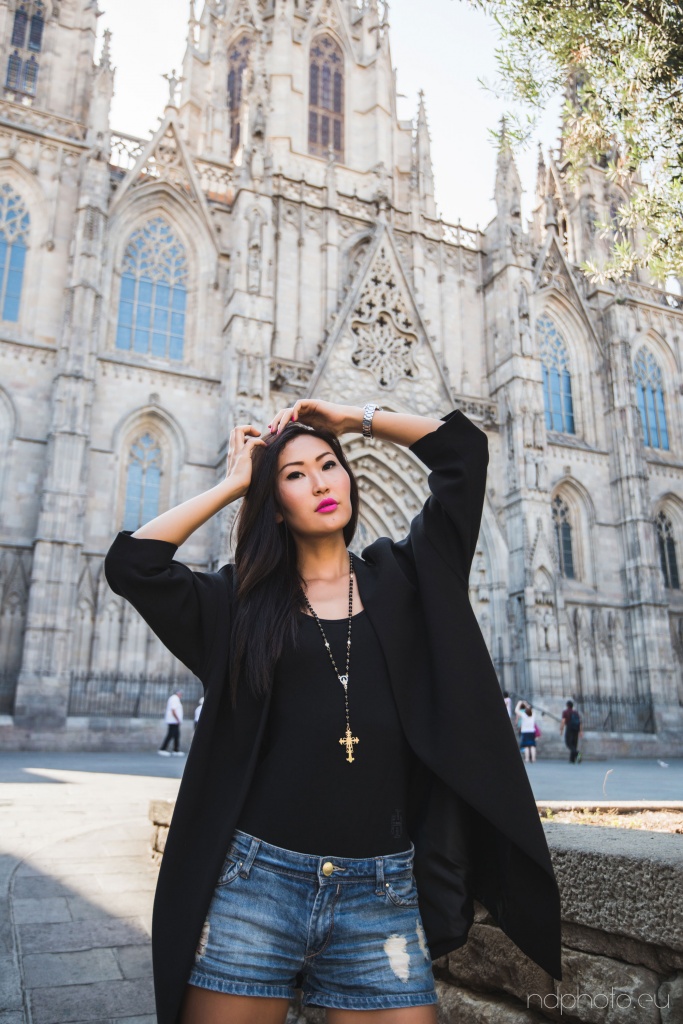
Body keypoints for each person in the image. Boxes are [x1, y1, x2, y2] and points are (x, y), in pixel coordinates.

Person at [104, 399, 563, 1024]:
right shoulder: (240, 604)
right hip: (255, 888)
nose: (320, 482)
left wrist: (352, 419)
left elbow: (463, 452)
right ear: (275, 503)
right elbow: (133, 565)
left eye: (329, 465)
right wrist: (236, 483)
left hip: (381, 895)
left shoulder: (408, 579)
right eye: (294, 475)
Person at [158, 689, 184, 757]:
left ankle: (176, 749)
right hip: (173, 721)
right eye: (181, 694)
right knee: (170, 735)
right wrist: (177, 719)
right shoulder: (174, 699)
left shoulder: (175, 699)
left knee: (176, 735)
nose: (181, 696)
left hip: (175, 721)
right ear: (178, 693)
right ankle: (162, 749)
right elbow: (173, 710)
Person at [514, 699, 537, 763]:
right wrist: (527, 705)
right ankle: (533, 758)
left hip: (525, 731)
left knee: (526, 746)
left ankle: (527, 759)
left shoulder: (524, 715)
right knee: (532, 746)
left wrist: (519, 703)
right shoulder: (533, 715)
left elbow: (516, 710)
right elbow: (530, 709)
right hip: (532, 731)